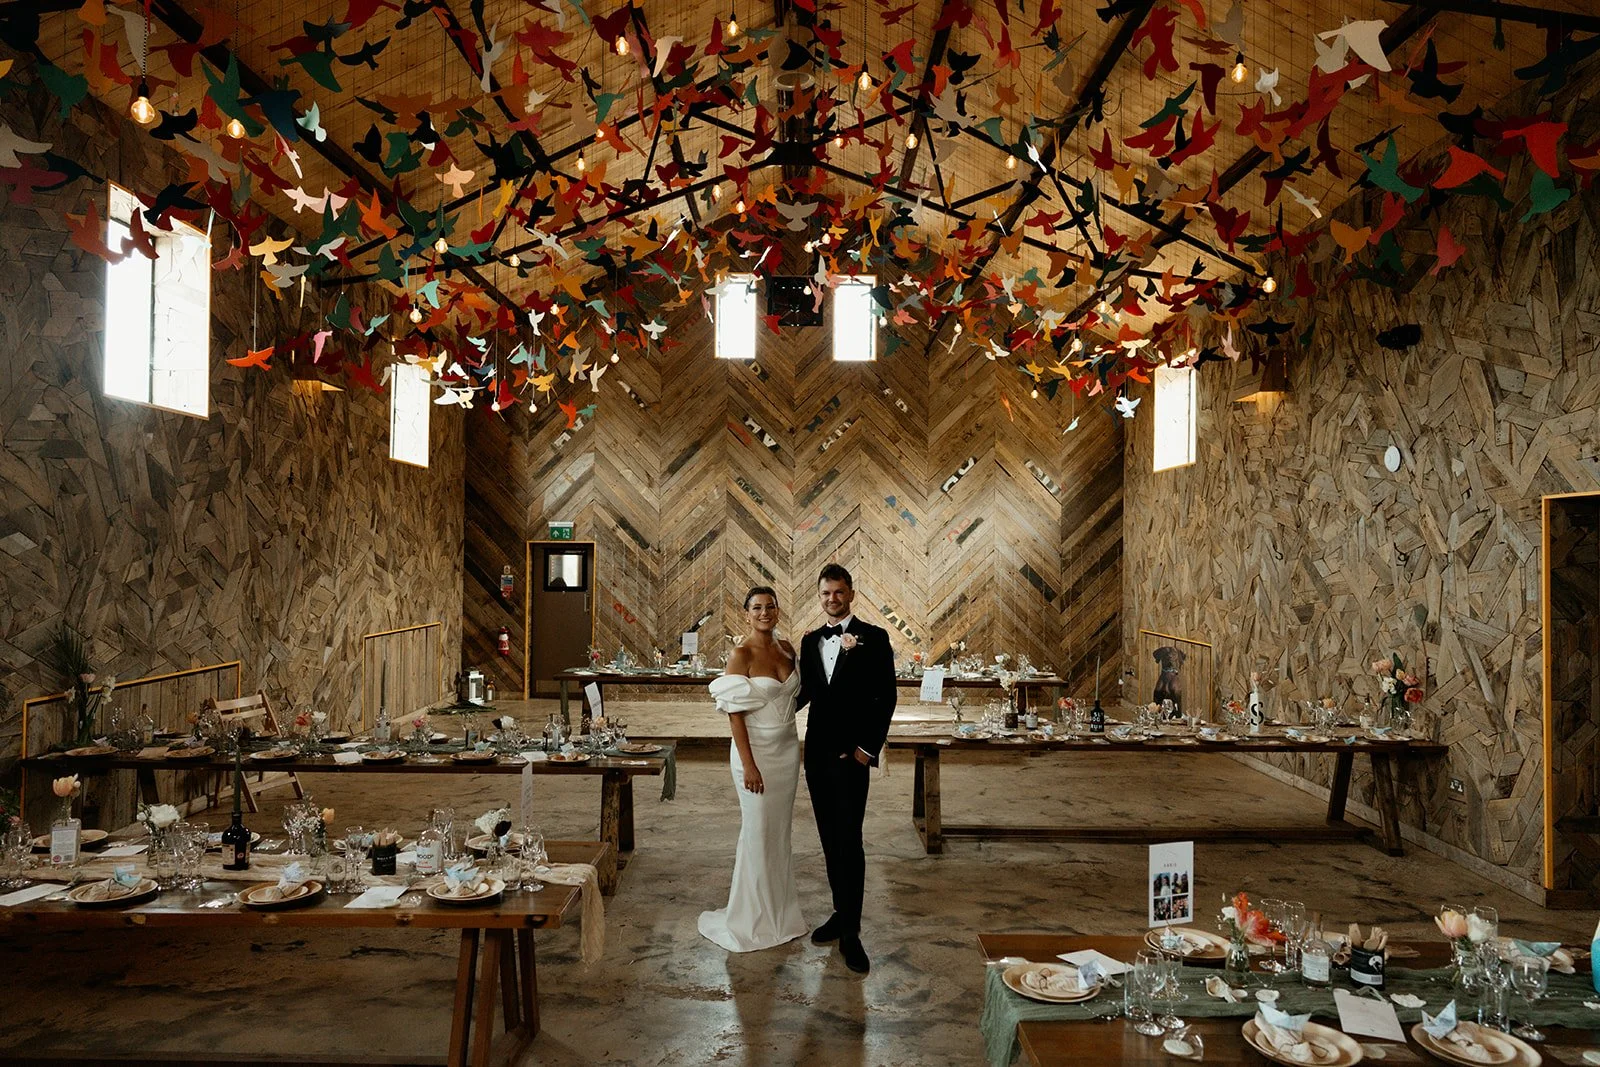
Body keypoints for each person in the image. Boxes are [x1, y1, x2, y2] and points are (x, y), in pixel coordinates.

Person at [795, 563, 896, 974]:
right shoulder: (809, 641)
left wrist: (865, 749)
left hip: (851, 757)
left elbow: (885, 697)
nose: (832, 600)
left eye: (838, 592)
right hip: (817, 755)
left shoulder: (874, 638)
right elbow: (803, 694)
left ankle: (852, 932)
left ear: (850, 593)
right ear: (818, 597)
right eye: (825, 594)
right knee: (828, 839)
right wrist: (757, 702)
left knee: (850, 842)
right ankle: (840, 913)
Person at [698, 587, 807, 952]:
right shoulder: (740, 654)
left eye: (770, 606)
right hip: (755, 755)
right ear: (746, 614)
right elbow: (735, 716)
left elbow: (796, 698)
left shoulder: (788, 649)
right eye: (757, 608)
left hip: (788, 751)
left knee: (779, 834)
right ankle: (750, 918)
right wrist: (749, 765)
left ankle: (781, 914)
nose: (764, 612)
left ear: (778, 611)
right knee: (757, 831)